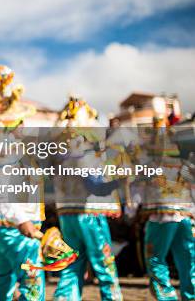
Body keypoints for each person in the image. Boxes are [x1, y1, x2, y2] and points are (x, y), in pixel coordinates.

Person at [0, 65, 45, 301]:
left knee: (4, 275)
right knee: (31, 276)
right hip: (12, 224)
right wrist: (22, 220)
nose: (24, 126)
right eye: (20, 122)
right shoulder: (2, 151)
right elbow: (0, 191)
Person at [53, 95, 123, 301]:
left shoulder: (60, 157)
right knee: (104, 263)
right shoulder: (85, 156)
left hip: (67, 215)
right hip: (89, 215)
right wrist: (119, 181)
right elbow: (96, 187)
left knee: (71, 264)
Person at [134, 117, 195, 300]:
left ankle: (167, 297)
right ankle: (191, 295)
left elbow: (135, 187)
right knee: (188, 259)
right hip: (185, 215)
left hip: (162, 217)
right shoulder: (184, 166)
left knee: (155, 259)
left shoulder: (150, 166)